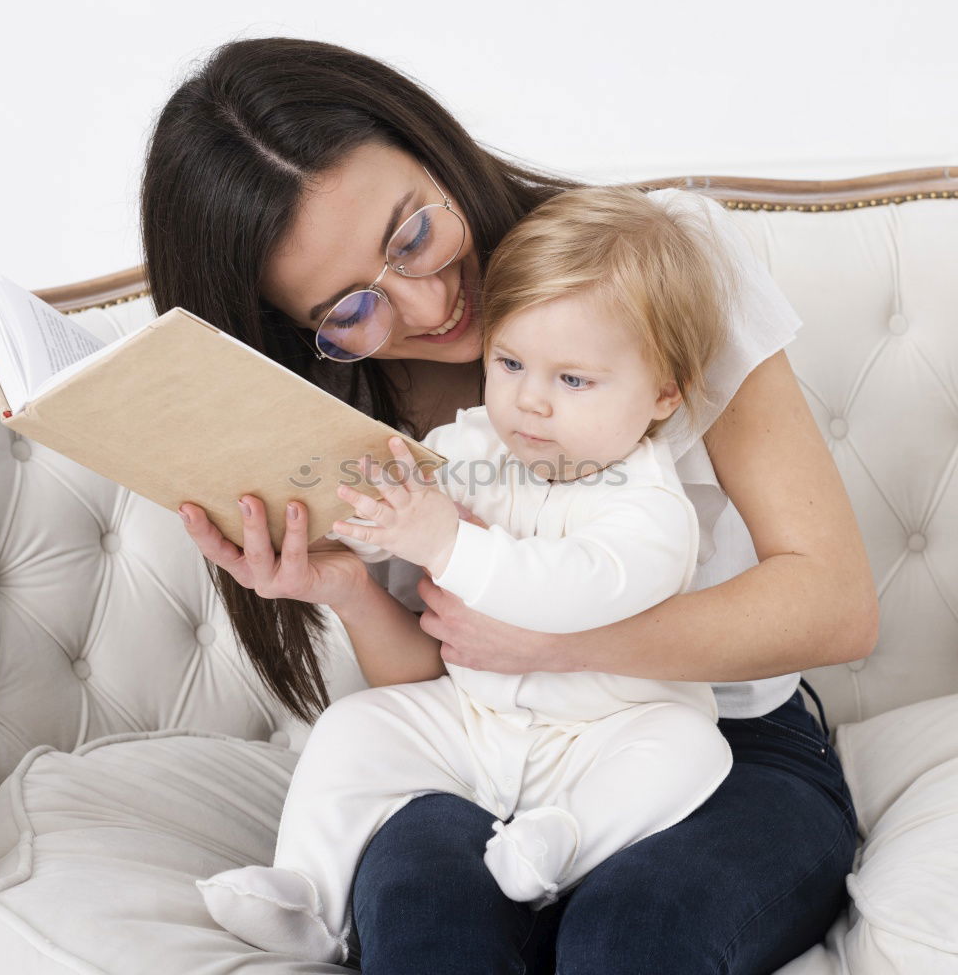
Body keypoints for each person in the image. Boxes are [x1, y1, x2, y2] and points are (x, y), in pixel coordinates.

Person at [146, 37, 875, 974]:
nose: (425, 301)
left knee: (630, 935)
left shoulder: (654, 274)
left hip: (710, 739)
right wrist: (353, 591)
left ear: (436, 147)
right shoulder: (356, 409)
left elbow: (836, 603)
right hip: (483, 741)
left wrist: (557, 641)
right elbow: (437, 676)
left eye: (412, 234)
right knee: (424, 912)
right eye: (348, 309)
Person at [195, 184, 738, 963]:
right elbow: (408, 513)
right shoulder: (482, 443)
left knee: (690, 749)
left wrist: (446, 542)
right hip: (474, 722)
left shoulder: (651, 507)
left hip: (604, 736)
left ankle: (562, 842)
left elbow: (572, 589)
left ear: (662, 393)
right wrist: (350, 528)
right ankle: (309, 893)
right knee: (355, 728)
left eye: (573, 380)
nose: (529, 402)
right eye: (510, 362)